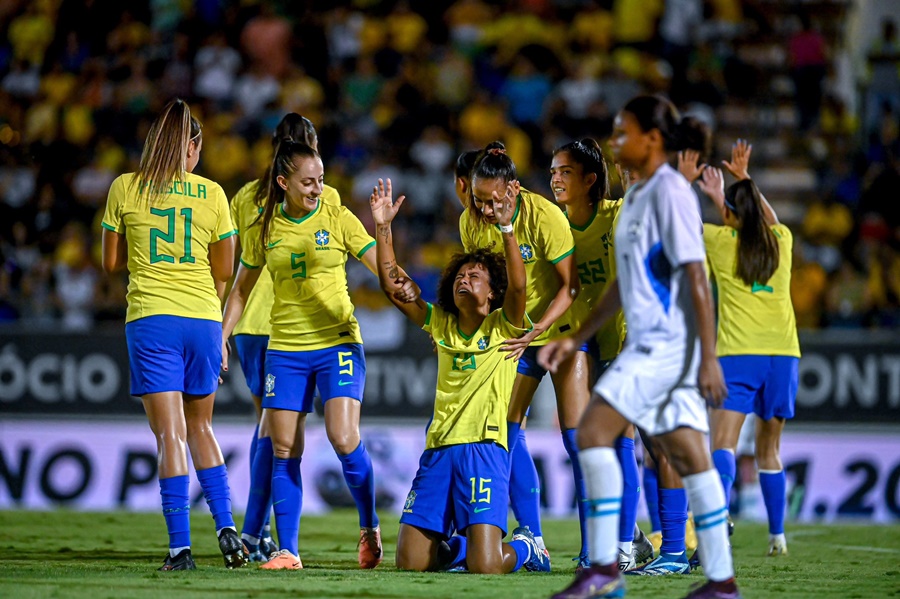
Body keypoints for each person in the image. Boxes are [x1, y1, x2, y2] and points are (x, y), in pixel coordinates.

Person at [539, 95, 739, 599]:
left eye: (623, 132)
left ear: (653, 139)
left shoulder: (670, 192)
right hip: (656, 346)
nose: (615, 140)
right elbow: (623, 287)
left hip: (664, 347)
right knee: (692, 457)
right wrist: (577, 340)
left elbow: (696, 274)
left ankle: (604, 567)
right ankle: (722, 580)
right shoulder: (638, 198)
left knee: (593, 433)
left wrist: (708, 356)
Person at [221, 141, 401, 570]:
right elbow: (242, 289)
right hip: (285, 348)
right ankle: (289, 551)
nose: (318, 188)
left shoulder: (337, 216)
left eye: (320, 179)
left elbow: (386, 270)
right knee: (284, 447)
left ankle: (368, 523)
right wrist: (221, 335)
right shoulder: (264, 228)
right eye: (308, 181)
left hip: (338, 341)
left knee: (343, 437)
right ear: (283, 183)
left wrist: (384, 230)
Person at [368, 177, 549, 574]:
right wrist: (383, 227)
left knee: (488, 566)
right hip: (439, 450)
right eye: (461, 275)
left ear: (492, 294)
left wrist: (506, 229)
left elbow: (519, 286)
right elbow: (391, 286)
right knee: (411, 565)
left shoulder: (505, 326)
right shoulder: (441, 325)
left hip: (485, 450)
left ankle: (526, 547)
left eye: (476, 277)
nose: (465, 279)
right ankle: (451, 550)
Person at [100, 98, 244, 571]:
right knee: (201, 426)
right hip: (203, 320)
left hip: (152, 319)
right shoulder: (214, 194)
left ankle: (181, 549)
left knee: (171, 435)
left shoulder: (125, 187)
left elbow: (110, 262)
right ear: (194, 146)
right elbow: (225, 268)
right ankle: (226, 528)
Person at [227, 113, 341, 562]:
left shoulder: (245, 198)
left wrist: (222, 326)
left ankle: (256, 532)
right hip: (292, 326)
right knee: (283, 434)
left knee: (270, 428)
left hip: (250, 324)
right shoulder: (320, 195)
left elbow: (233, 272)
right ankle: (255, 533)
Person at [460, 141, 580, 563]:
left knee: (576, 437)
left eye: (493, 201)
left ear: (512, 188)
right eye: (478, 200)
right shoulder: (470, 222)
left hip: (561, 331)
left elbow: (571, 286)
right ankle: (533, 537)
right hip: (516, 336)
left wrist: (539, 329)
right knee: (507, 429)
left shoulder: (545, 216)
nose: (486, 209)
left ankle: (602, 545)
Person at [550, 139, 653, 571]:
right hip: (580, 342)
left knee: (623, 440)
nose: (555, 179)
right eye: (552, 171)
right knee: (583, 443)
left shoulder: (615, 216)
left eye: (565, 172)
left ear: (591, 180)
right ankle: (614, 542)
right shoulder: (552, 223)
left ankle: (626, 548)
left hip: (625, 337)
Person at [696, 139, 800, 557]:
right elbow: (766, 219)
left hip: (738, 355)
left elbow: (681, 222)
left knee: (722, 444)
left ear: (728, 215)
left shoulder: (720, 243)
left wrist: (710, 192)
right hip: (783, 357)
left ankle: (718, 520)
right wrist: (744, 181)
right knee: (769, 451)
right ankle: (777, 536)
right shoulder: (782, 241)